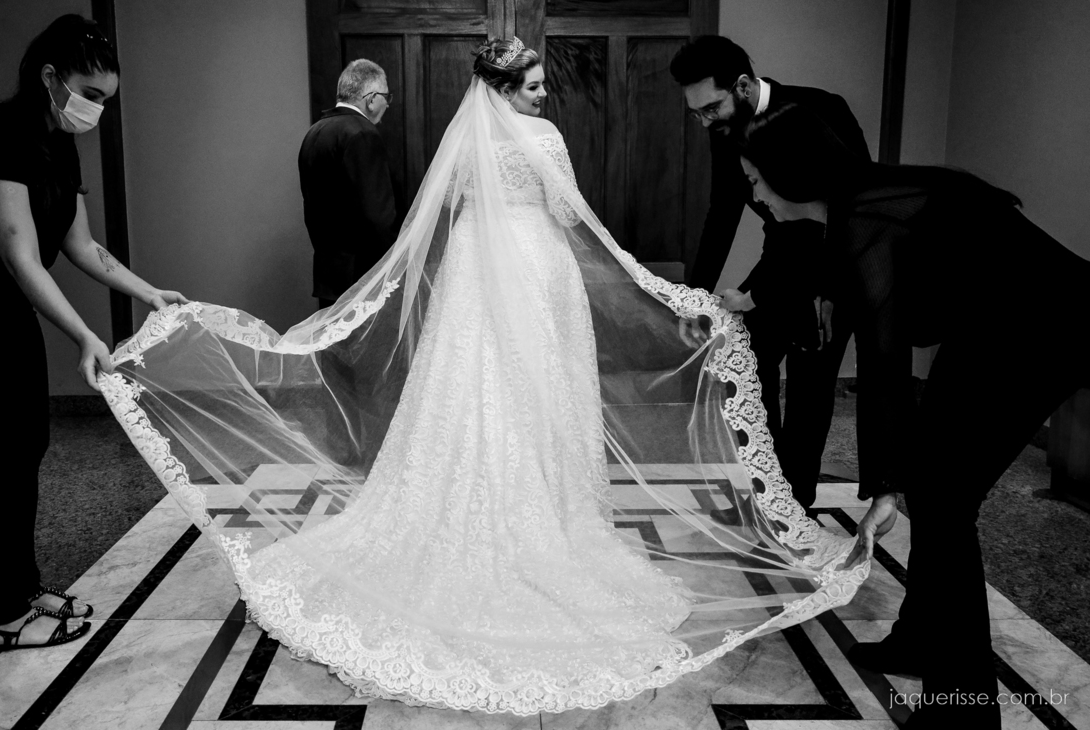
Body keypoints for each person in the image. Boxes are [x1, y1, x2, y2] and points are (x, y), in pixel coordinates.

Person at [97, 38, 870, 714]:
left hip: (474, 274)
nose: (544, 92)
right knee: (537, 394)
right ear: (505, 89)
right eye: (533, 84)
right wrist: (659, 284)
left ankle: (467, 502)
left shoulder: (462, 139)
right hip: (539, 273)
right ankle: (545, 515)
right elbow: (569, 217)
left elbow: (449, 212)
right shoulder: (546, 138)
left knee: (468, 390)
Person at [739, 103, 1090, 729]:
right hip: (989, 327)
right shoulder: (853, 204)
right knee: (934, 489)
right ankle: (922, 640)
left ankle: (964, 712)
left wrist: (884, 485)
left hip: (1046, 330)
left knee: (944, 501)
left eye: (758, 181)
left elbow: (885, 364)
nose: (756, 195)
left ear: (793, 177)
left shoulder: (865, 218)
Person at [0, 14, 186, 650]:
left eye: (105, 99)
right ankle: (3, 615)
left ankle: (24, 588)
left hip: (8, 312)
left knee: (27, 449)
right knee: (6, 458)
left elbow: (80, 244)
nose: (97, 110)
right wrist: (85, 335)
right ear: (50, 77)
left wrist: (148, 291)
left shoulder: (57, 144)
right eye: (90, 94)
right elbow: (20, 255)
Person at [671, 35, 870, 510]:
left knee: (810, 387)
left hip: (832, 266)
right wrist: (694, 297)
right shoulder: (722, 128)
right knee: (748, 364)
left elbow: (855, 207)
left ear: (742, 85)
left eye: (711, 108)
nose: (706, 121)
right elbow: (723, 212)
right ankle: (769, 487)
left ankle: (794, 505)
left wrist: (819, 290)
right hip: (778, 256)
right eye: (696, 113)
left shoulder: (823, 109)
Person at [299, 58, 398, 310]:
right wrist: (394, 269)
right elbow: (377, 216)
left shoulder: (315, 132)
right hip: (361, 276)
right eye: (386, 97)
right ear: (371, 98)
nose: (387, 104)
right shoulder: (362, 133)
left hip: (329, 273)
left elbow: (312, 208)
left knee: (332, 337)